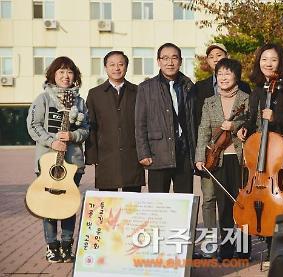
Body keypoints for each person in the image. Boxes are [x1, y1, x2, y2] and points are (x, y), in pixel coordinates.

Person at [238, 43, 283, 260]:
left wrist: (276, 118)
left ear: (281, 63)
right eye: (264, 59)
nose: (268, 64)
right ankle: (273, 252)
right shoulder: (259, 89)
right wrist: (245, 129)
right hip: (264, 160)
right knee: (268, 205)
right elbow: (253, 120)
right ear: (258, 62)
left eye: (273, 59)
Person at [190, 43, 251, 258]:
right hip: (218, 159)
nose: (224, 77)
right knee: (223, 206)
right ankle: (225, 249)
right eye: (220, 74)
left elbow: (254, 124)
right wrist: (199, 158)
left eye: (228, 73)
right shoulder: (209, 101)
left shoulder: (247, 98)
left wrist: (235, 126)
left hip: (241, 158)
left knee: (242, 203)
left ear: (237, 76)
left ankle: (243, 249)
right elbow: (203, 131)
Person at [27, 56, 89, 263]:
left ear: (75, 76)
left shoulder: (79, 101)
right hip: (48, 164)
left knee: (68, 206)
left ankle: (66, 244)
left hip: (72, 165)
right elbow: (34, 126)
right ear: (53, 75)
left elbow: (86, 129)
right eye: (61, 71)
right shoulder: (43, 99)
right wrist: (52, 142)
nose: (65, 76)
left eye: (69, 72)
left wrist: (72, 136)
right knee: (49, 206)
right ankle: (51, 245)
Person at [135, 43, 196, 193]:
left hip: (184, 155)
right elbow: (140, 123)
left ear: (180, 61)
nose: (170, 62)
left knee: (184, 202)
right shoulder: (146, 88)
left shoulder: (188, 86)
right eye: (165, 58)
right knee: (159, 205)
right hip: (158, 155)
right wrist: (144, 153)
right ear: (158, 61)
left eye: (174, 58)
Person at [85, 51, 145, 192]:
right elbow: (91, 126)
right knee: (108, 205)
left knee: (132, 203)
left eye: (120, 64)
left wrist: (144, 153)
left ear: (126, 67)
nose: (116, 68)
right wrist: (92, 155)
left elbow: (143, 124)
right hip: (106, 157)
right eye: (112, 64)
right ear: (105, 67)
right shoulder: (95, 94)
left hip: (132, 156)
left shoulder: (138, 91)